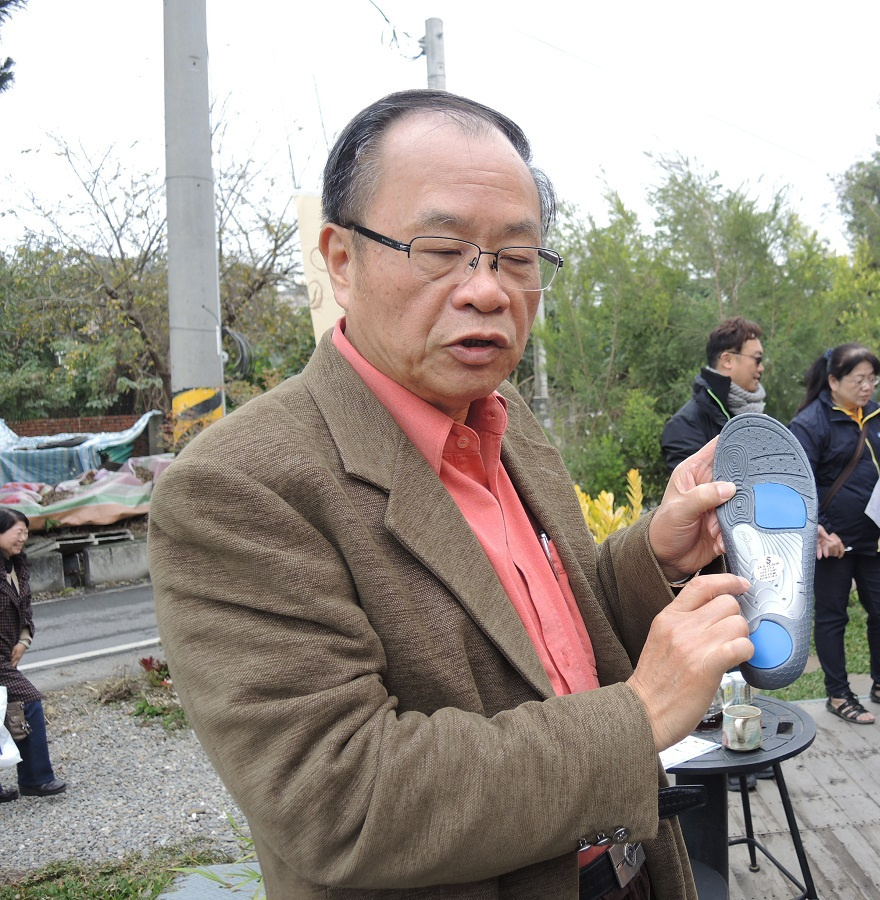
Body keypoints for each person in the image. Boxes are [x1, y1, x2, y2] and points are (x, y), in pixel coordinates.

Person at [149, 90, 756, 900]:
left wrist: (654, 554)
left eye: (518, 256)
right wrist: (639, 718)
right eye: (441, 249)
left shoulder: (508, 424)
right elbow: (340, 799)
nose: (488, 291)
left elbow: (544, 644)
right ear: (340, 258)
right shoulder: (239, 486)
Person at [787, 342, 880, 725]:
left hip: (876, 537)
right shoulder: (811, 423)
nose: (867, 387)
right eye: (859, 379)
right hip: (833, 544)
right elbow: (799, 482)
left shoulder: (877, 415)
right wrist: (817, 532)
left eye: (872, 379)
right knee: (832, 617)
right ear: (833, 380)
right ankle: (838, 694)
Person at [0, 508, 67, 801]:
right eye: (18, 531)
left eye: (26, 532)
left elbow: (25, 607)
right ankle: (36, 778)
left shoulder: (18, 566)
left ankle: (33, 779)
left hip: (6, 653)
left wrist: (24, 639)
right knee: (28, 700)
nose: (24, 537)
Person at [661, 316, 765, 473]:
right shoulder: (683, 427)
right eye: (757, 359)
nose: (761, 368)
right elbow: (695, 492)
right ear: (727, 360)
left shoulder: (756, 417)